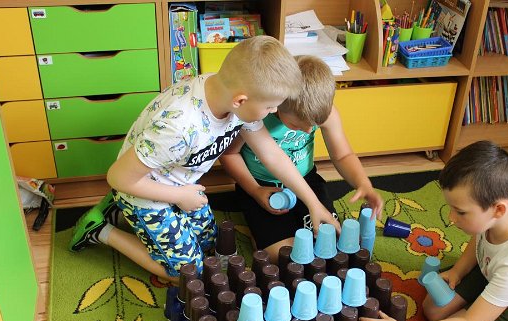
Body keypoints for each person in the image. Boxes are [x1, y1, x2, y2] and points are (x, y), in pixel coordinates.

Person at [68, 36, 339, 282]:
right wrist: (179, 196)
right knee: (189, 274)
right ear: (241, 100)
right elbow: (117, 177)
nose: (274, 111)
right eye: (270, 107)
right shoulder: (178, 127)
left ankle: (123, 210)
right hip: (141, 188)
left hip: (179, 183)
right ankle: (100, 230)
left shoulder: (230, 93)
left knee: (211, 243)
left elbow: (272, 154)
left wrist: (313, 203)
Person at [360, 141, 508, 321]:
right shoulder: (498, 213)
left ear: (498, 210)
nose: (451, 218)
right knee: (433, 310)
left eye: (460, 212)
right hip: (492, 270)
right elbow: (480, 238)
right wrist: (458, 271)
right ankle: (488, 301)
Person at [219, 55, 384, 263]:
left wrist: (363, 183)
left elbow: (343, 155)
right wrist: (255, 190)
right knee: (283, 256)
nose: (307, 131)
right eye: (297, 126)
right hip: (262, 185)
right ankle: (259, 233)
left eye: (313, 126)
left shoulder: (324, 112)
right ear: (278, 104)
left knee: (329, 242)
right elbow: (229, 154)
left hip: (307, 180)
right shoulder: (257, 115)